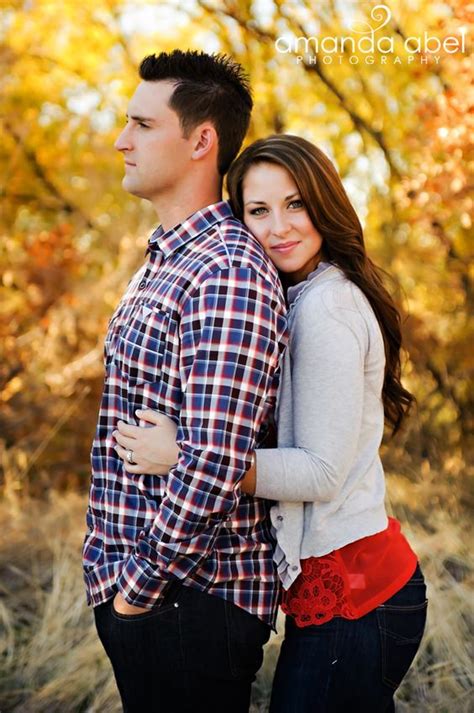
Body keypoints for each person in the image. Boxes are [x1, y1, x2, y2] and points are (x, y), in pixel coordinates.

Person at [114, 134, 428, 712]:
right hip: (341, 589)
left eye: (295, 204)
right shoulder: (303, 294)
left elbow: (321, 472)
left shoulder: (326, 307)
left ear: (325, 204)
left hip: (360, 595)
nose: (279, 226)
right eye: (259, 210)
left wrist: (186, 455)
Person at [82, 51, 288, 713]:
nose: (122, 139)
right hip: (155, 596)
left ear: (202, 140)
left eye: (142, 124)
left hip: (186, 599)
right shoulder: (167, 259)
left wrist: (136, 588)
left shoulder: (224, 269)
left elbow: (216, 461)